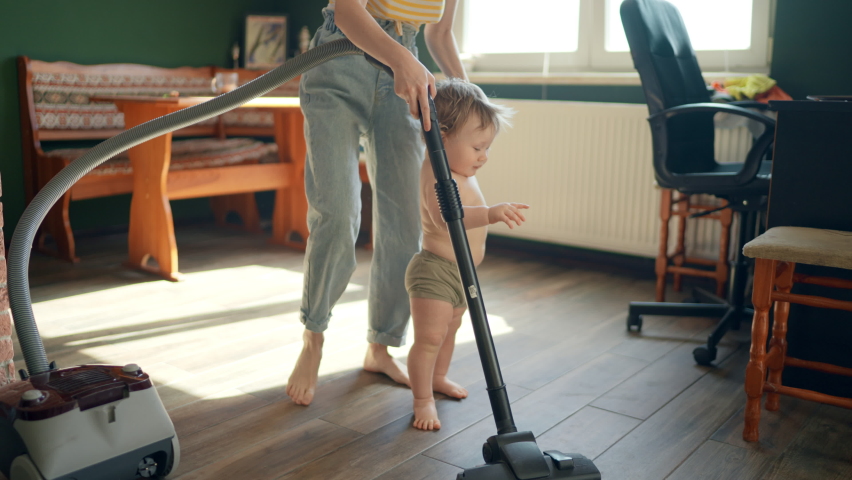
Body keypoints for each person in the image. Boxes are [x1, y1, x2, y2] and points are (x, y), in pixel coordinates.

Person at [286, 0, 468, 406]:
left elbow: (439, 33)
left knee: (404, 225)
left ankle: (380, 347)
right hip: (340, 61)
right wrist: (400, 58)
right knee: (338, 213)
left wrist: (467, 92)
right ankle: (313, 337)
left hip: (403, 75)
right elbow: (348, 11)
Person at [405, 78, 525, 430]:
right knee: (429, 338)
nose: (483, 156)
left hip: (462, 275)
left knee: (450, 330)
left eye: (487, 148)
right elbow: (447, 219)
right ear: (442, 138)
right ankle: (422, 400)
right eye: (477, 148)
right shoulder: (437, 173)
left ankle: (438, 378)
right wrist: (491, 212)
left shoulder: (459, 170)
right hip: (435, 272)